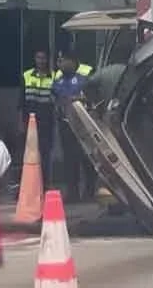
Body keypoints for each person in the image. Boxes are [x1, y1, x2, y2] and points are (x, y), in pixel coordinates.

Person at [51, 52, 96, 202]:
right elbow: (58, 99)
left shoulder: (84, 81)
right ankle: (72, 192)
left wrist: (78, 98)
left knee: (87, 158)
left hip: (83, 126)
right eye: (60, 61)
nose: (61, 64)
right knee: (70, 160)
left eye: (64, 61)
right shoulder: (57, 83)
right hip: (66, 125)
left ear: (73, 62)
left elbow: (91, 98)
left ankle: (89, 191)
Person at [21, 49, 56, 187]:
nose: (41, 61)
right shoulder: (27, 75)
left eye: (43, 58)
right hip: (29, 121)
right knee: (29, 152)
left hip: (47, 121)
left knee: (46, 152)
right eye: (38, 58)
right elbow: (21, 101)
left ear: (47, 60)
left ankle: (46, 183)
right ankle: (30, 184)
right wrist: (20, 122)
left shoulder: (53, 76)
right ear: (35, 59)